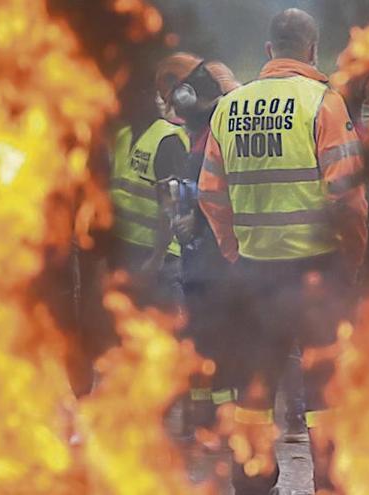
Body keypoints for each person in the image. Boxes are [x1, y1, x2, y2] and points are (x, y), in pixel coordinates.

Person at [199, 9, 368, 494]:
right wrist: (348, 264)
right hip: (317, 274)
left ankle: (252, 484)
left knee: (252, 392)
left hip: (254, 275)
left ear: (270, 52)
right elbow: (348, 198)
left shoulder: (229, 108)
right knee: (325, 395)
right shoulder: (324, 103)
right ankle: (331, 485)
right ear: (312, 52)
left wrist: (236, 251)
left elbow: (209, 194)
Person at [154, 53, 243, 433]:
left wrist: (195, 220)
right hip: (200, 261)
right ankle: (205, 419)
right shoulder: (200, 136)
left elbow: (220, 195)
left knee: (218, 344)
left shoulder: (215, 135)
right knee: (204, 341)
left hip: (215, 258)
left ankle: (219, 420)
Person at [108, 68, 189, 310]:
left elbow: (170, 205)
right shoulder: (123, 136)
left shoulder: (168, 140)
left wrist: (155, 260)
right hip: (125, 253)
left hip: (159, 261)